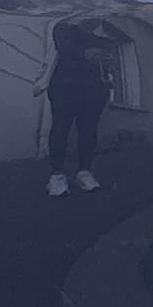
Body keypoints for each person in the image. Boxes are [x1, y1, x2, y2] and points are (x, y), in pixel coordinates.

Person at [44, 19, 118, 195]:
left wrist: (109, 64)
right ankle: (57, 176)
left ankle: (84, 171)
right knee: (60, 128)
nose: (96, 20)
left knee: (89, 131)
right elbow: (64, 48)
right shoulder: (63, 28)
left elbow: (109, 66)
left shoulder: (103, 40)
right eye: (93, 16)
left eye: (99, 17)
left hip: (93, 91)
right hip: (64, 88)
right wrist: (87, 53)